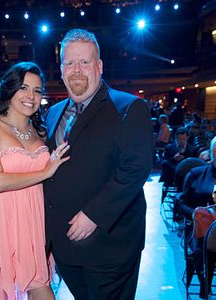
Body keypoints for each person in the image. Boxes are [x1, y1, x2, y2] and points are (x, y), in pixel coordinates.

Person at [43, 28, 153, 299]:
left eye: (84, 61)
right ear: (61, 69)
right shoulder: (53, 112)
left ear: (99, 66)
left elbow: (135, 169)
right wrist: (48, 245)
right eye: (69, 62)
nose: (76, 69)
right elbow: (52, 177)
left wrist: (94, 214)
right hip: (66, 249)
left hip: (110, 247)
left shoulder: (130, 107)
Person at [0, 62, 70, 300]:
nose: (31, 96)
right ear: (10, 89)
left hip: (38, 218)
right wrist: (45, 172)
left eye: (37, 91)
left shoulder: (40, 131)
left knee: (37, 284)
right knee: (38, 288)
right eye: (24, 88)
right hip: (8, 218)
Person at [178, 136, 216, 298]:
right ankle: (205, 285)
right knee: (203, 249)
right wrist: (195, 213)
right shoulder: (196, 174)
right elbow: (181, 204)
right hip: (200, 230)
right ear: (214, 152)